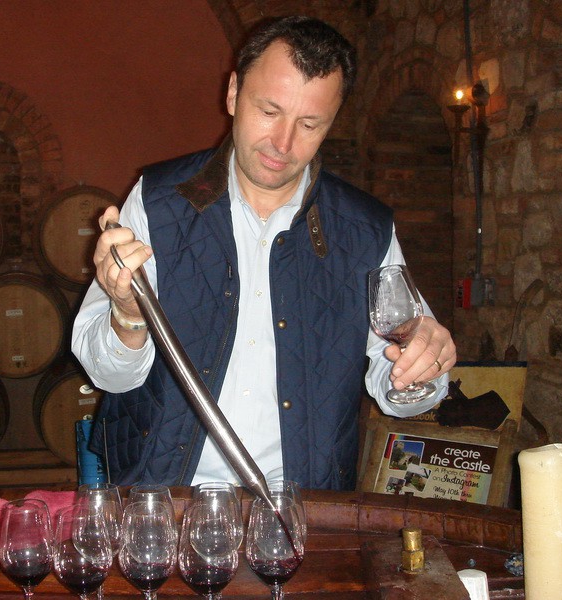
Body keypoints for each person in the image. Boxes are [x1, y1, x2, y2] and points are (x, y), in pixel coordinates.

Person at [72, 16, 456, 491]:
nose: (283, 143)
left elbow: (400, 381)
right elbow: (107, 374)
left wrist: (420, 368)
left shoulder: (366, 228)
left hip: (299, 504)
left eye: (310, 124)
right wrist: (128, 316)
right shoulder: (157, 200)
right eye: (270, 111)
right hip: (166, 498)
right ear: (234, 93)